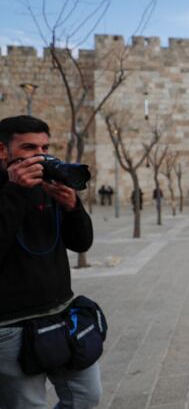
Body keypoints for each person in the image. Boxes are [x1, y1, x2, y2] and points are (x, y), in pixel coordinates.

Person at [0, 115, 101, 408]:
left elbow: (82, 243)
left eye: (45, 147)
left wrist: (72, 207)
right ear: (3, 151)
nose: (40, 156)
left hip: (61, 315)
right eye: (29, 148)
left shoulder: (48, 184)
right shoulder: (13, 189)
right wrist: (16, 191)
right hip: (11, 326)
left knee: (86, 396)